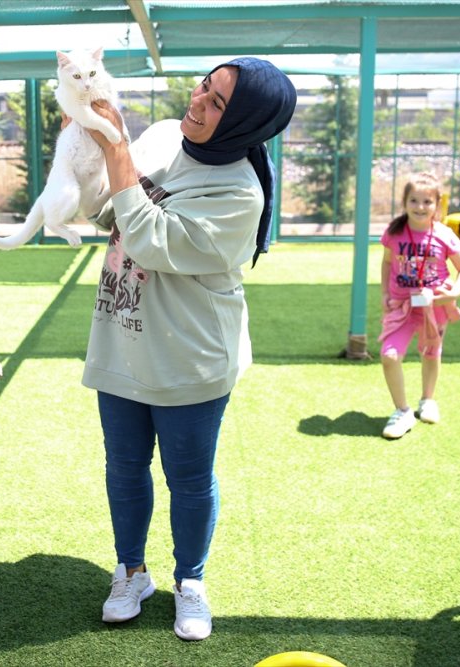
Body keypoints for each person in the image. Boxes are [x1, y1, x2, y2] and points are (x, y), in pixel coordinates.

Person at [82, 58, 296, 639]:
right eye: (206, 85)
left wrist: (119, 151)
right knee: (124, 467)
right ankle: (131, 571)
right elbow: (106, 209)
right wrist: (90, 146)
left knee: (189, 476)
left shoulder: (238, 192)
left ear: (245, 124)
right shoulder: (160, 139)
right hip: (123, 338)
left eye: (220, 103)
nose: (200, 102)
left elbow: (150, 240)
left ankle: (190, 581)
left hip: (191, 357)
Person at [378, 172, 460, 439]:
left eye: (427, 202)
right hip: (401, 308)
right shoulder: (394, 232)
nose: (420, 207)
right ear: (404, 202)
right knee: (389, 355)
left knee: (431, 353)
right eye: (414, 201)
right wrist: (384, 292)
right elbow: (387, 263)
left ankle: (428, 400)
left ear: (437, 204)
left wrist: (452, 294)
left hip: (435, 308)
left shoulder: (444, 235)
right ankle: (402, 411)